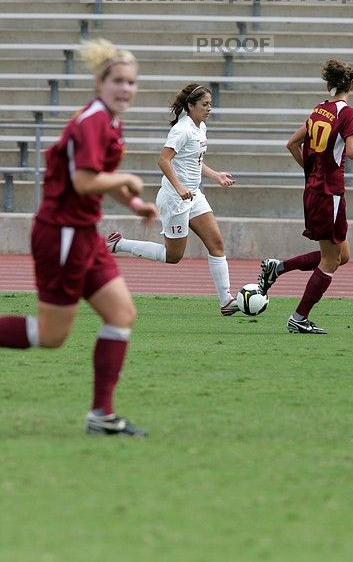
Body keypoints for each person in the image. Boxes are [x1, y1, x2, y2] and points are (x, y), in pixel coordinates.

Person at [0, 39, 158, 436]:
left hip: (85, 232)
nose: (126, 89)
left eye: (132, 83)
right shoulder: (92, 121)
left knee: (121, 315)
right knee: (51, 336)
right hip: (62, 234)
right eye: (118, 81)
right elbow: (84, 179)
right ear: (100, 83)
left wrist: (133, 202)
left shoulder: (109, 121)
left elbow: (97, 179)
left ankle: (101, 416)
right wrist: (127, 180)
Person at [258, 58, 353, 334]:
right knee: (330, 260)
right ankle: (298, 317)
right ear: (352, 85)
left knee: (342, 255)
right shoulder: (349, 114)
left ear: (330, 85)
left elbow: (291, 143)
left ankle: (277, 267)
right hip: (330, 193)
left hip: (313, 191)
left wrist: (311, 172)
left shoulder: (320, 110)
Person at [107, 83, 239, 315]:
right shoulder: (182, 129)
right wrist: (178, 187)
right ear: (191, 106)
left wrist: (216, 175)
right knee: (173, 256)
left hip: (194, 195)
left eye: (210, 104)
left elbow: (194, 160)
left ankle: (226, 301)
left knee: (216, 243)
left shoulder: (201, 127)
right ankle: (118, 244)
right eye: (205, 104)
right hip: (175, 198)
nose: (209, 108)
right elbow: (163, 160)